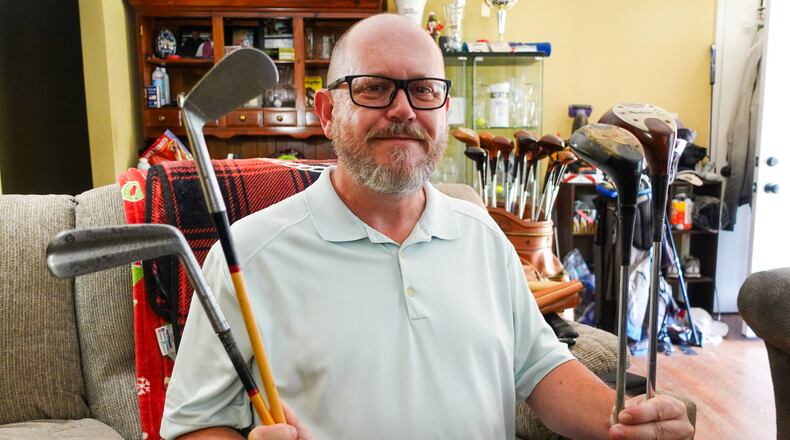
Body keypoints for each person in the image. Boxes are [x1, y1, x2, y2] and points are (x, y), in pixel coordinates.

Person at [161, 14, 694, 440]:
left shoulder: (483, 236)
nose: (403, 110)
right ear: (326, 112)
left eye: (423, 90)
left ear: (444, 108)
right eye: (374, 88)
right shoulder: (249, 254)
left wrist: (622, 421)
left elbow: (539, 368)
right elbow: (194, 424)